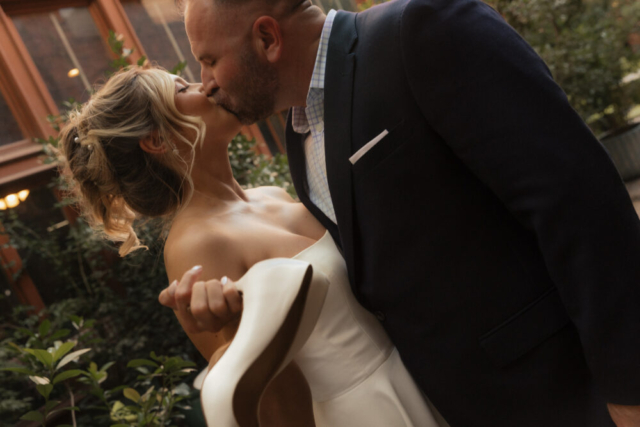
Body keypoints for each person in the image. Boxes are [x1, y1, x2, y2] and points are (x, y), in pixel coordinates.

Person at [171, 0, 640, 425]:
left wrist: (629, 387)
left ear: (268, 38)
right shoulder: (298, 132)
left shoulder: (421, 30)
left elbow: (580, 205)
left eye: (210, 60)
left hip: (575, 390)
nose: (206, 81)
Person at [57, 65, 444, 426]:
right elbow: (266, 408)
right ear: (157, 140)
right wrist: (232, 335)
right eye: (183, 88)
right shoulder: (196, 247)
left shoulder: (271, 195)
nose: (206, 85)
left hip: (424, 372)